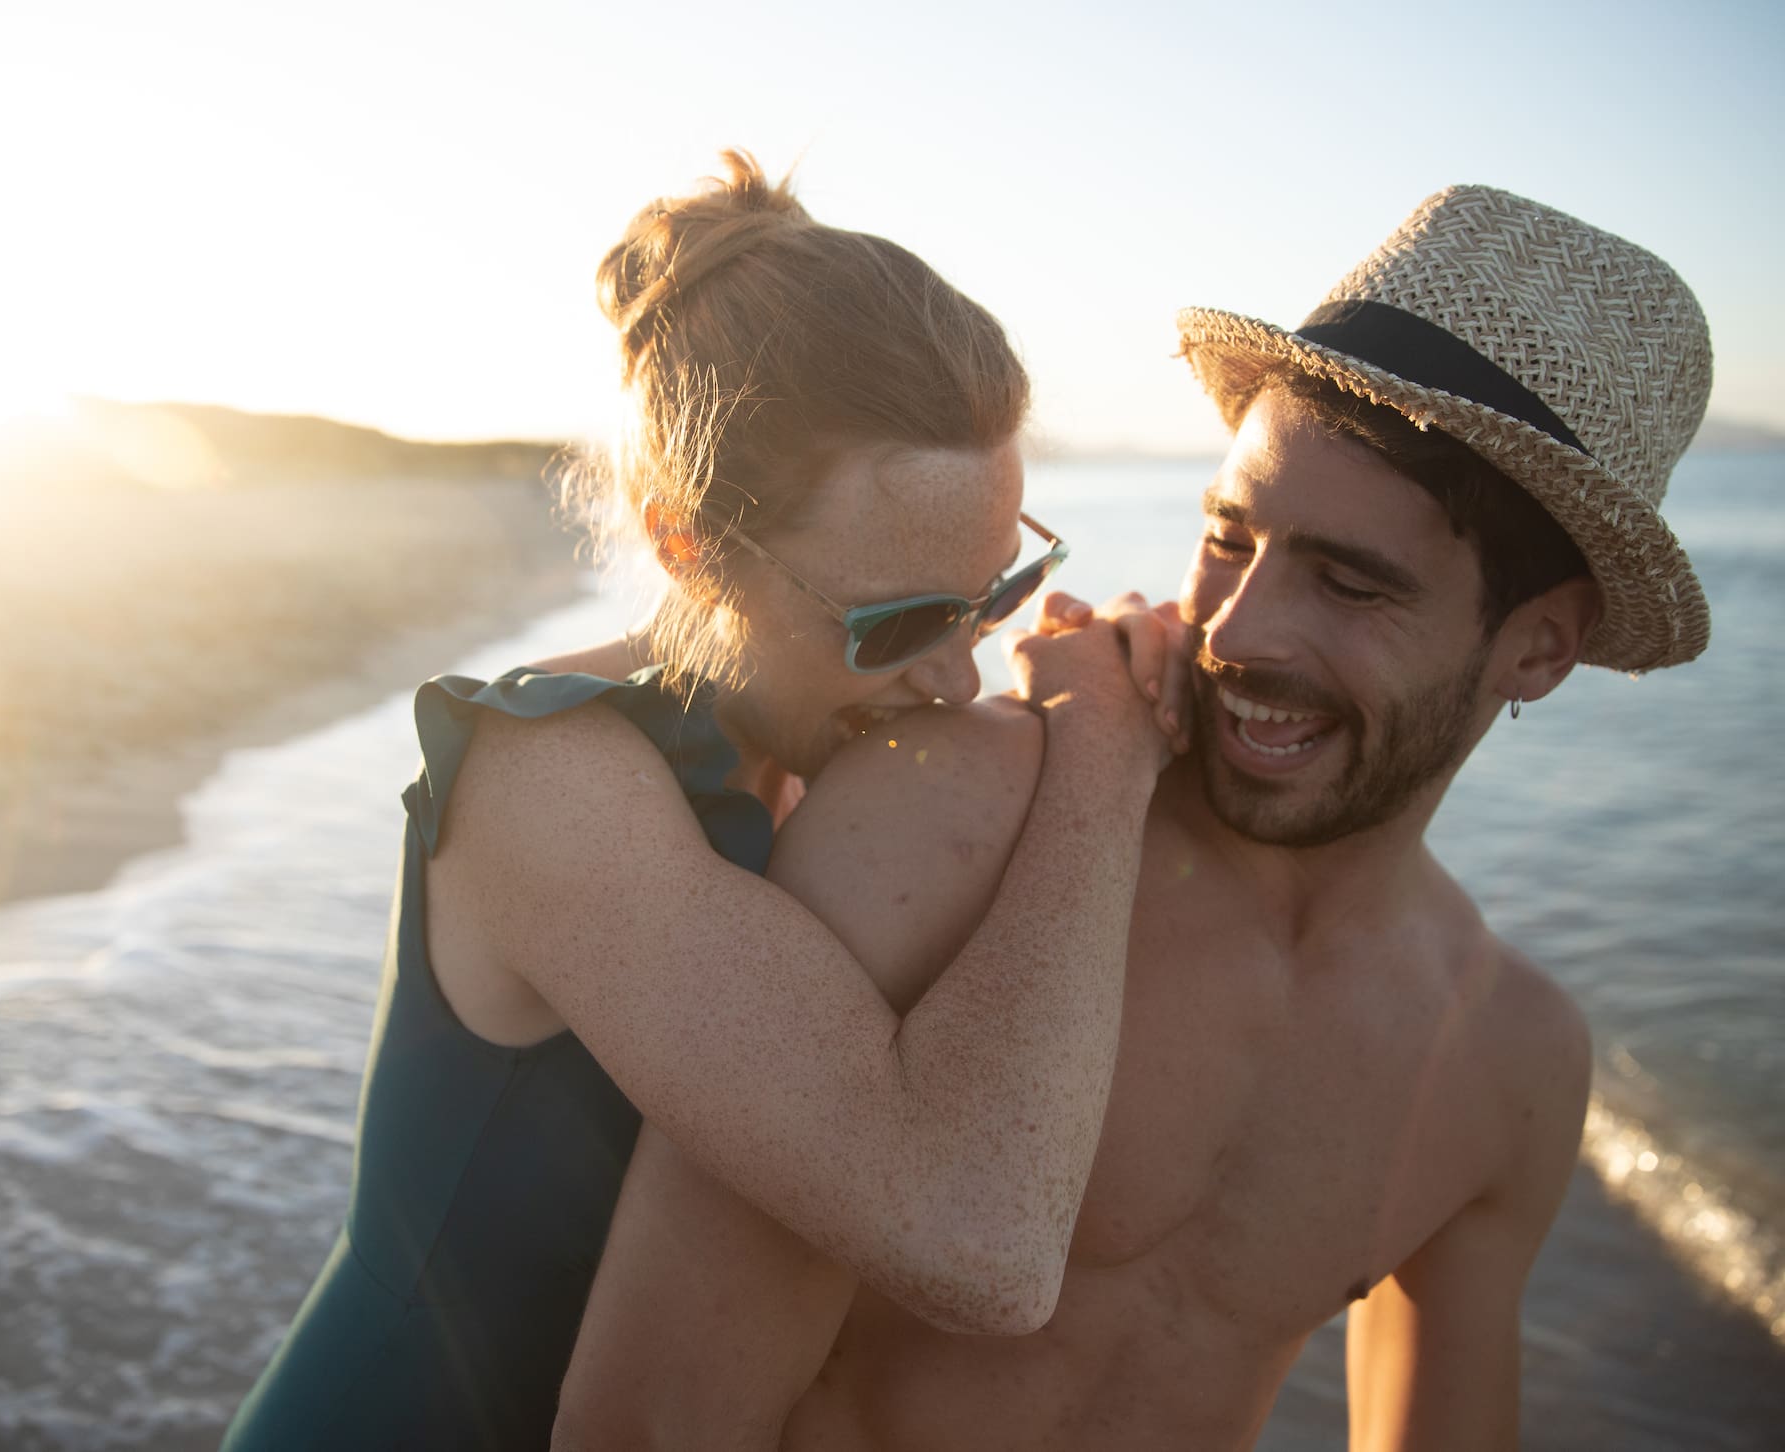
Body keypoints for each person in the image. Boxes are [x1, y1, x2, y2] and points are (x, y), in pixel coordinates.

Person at [555, 185, 1713, 1450]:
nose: (1238, 628)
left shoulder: (1509, 1061)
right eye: (1227, 535)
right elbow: (651, 1419)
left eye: (1348, 583)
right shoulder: (953, 816)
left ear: (1537, 647)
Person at [217, 152, 1178, 1450]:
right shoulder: (549, 776)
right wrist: (1104, 762)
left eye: (997, 592)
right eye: (896, 621)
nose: (957, 676)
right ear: (684, 541)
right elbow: (980, 1244)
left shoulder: (820, 760)